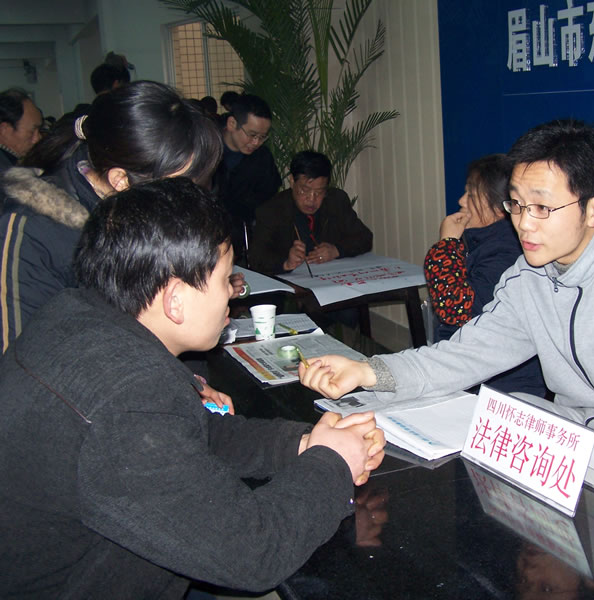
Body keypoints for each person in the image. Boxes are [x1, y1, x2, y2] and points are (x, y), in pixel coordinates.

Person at [0, 178, 386, 597]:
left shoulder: (77, 317)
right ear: (175, 300)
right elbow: (253, 552)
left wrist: (302, 444)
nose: (233, 293)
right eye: (226, 279)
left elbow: (188, 435)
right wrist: (332, 464)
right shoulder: (126, 398)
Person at [298, 119, 594, 489]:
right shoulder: (530, 275)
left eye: (542, 207)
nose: (523, 223)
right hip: (571, 457)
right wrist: (367, 371)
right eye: (516, 204)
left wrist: (592, 501)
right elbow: (463, 355)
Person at [0, 80, 223, 352]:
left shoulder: (136, 207)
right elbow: (20, 357)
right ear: (120, 180)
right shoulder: (31, 231)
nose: (184, 201)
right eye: (175, 187)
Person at [424, 153, 546, 397]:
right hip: (468, 372)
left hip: (501, 388)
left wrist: (446, 244)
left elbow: (456, 309)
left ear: (501, 208)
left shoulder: (506, 253)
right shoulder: (482, 241)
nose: (461, 201)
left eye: (471, 194)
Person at [249, 150, 373, 274]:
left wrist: (336, 250)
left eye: (319, 192)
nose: (311, 199)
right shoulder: (272, 210)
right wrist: (286, 263)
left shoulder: (336, 201)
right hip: (291, 281)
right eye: (305, 190)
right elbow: (256, 259)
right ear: (292, 181)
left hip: (330, 275)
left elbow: (365, 237)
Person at [212, 93, 281, 258]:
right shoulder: (207, 151)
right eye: (252, 135)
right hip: (208, 238)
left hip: (243, 236)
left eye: (262, 137)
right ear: (232, 124)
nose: (256, 142)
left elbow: (267, 197)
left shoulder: (262, 158)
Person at [0, 88, 42, 172]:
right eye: (32, 132)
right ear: (4, 129)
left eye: (39, 130)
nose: (38, 139)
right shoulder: (5, 172)